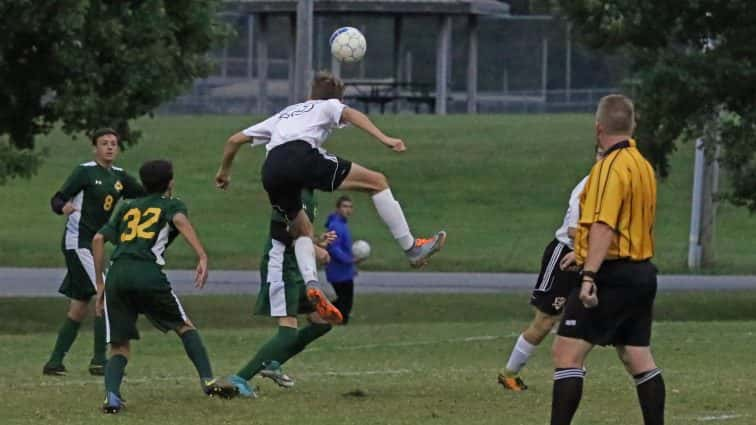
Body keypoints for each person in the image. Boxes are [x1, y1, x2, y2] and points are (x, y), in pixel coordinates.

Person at [214, 71, 446, 320]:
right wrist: (385, 138)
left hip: (271, 169)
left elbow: (234, 140)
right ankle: (411, 248)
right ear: (337, 98)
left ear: (308, 95)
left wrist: (224, 172)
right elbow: (351, 114)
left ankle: (312, 283)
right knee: (377, 182)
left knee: (301, 229)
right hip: (301, 155)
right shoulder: (328, 105)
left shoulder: (286, 113)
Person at [550, 95, 662, 425]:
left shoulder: (608, 168)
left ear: (598, 128)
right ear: (632, 125)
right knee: (636, 356)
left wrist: (589, 274)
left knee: (566, 354)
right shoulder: (642, 165)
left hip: (612, 274)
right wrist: (583, 253)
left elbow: (603, 225)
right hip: (642, 272)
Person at [92, 160, 238, 413]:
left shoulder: (127, 206)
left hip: (117, 274)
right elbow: (180, 220)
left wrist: (99, 281)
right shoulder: (171, 204)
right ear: (170, 182)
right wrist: (201, 255)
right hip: (147, 272)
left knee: (119, 346)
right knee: (184, 326)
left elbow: (97, 238)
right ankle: (207, 380)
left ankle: (112, 396)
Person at [498, 148, 603, 391]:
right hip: (564, 255)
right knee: (545, 321)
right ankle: (509, 374)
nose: (604, 160)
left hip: (589, 256)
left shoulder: (612, 188)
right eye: (599, 154)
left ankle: (573, 366)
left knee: (585, 313)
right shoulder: (586, 188)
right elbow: (574, 232)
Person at [44, 128, 144, 376]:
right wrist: (63, 207)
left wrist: (162, 193)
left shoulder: (119, 176)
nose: (110, 147)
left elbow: (143, 194)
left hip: (94, 245)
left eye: (113, 143)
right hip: (78, 242)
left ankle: (54, 362)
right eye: (104, 143)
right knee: (106, 293)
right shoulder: (85, 171)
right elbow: (57, 198)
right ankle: (99, 360)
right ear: (95, 148)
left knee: (79, 305)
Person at [230, 188, 338, 398]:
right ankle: (239, 379)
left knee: (322, 322)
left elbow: (299, 233)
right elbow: (282, 233)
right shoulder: (297, 195)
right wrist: (319, 252)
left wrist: (316, 241)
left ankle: (273, 362)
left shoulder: (309, 196)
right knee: (287, 333)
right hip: (280, 266)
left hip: (295, 268)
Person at [325, 195, 359, 324]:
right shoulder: (335, 226)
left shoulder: (342, 225)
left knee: (345, 300)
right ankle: (322, 314)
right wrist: (349, 260)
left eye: (350, 207)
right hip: (338, 270)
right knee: (345, 300)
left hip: (345, 270)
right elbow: (333, 248)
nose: (348, 209)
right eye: (344, 206)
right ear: (338, 208)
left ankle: (324, 314)